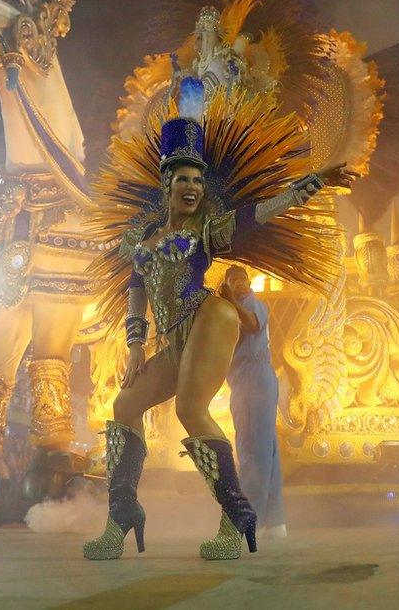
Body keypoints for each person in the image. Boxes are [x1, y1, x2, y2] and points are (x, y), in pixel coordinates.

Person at [82, 79, 354, 561]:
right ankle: (121, 514)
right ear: (166, 186)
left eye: (196, 180)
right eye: (181, 179)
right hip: (171, 339)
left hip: (208, 318)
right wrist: (135, 345)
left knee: (191, 409)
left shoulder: (209, 228)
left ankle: (235, 518)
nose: (190, 187)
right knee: (125, 406)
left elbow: (261, 213)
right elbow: (136, 288)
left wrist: (312, 184)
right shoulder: (144, 235)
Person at [219, 266, 286, 538]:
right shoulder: (231, 309)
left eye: (242, 280)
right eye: (233, 281)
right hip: (251, 378)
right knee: (266, 449)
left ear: (248, 282)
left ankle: (247, 519)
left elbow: (252, 324)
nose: (239, 284)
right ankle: (275, 521)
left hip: (253, 378)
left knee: (252, 450)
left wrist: (230, 300)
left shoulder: (250, 305)